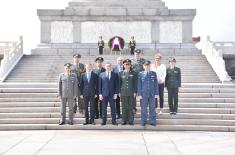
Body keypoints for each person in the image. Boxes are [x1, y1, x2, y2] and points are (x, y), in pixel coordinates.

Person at [137, 61, 159, 126]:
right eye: (146, 65)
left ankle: (152, 121)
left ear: (150, 66)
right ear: (143, 66)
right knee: (143, 108)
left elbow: (156, 84)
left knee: (152, 108)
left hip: (152, 94)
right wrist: (139, 94)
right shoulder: (140, 74)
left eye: (148, 65)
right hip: (143, 95)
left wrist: (156, 93)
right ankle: (143, 121)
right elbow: (139, 85)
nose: (147, 67)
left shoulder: (153, 73)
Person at [119, 59, 137, 125]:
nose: (127, 66)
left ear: (130, 65)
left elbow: (135, 83)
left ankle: (131, 120)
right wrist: (119, 92)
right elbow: (119, 83)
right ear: (123, 65)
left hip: (131, 92)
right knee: (124, 106)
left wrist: (135, 91)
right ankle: (124, 120)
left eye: (128, 64)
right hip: (123, 92)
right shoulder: (120, 73)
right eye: (126, 64)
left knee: (131, 106)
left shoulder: (134, 73)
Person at [131, 49, 146, 113]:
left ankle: (143, 107)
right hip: (133, 80)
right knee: (133, 94)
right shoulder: (131, 61)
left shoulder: (144, 61)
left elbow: (145, 70)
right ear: (134, 54)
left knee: (141, 94)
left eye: (138, 54)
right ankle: (134, 108)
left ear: (140, 54)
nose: (137, 55)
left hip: (141, 81)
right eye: (136, 54)